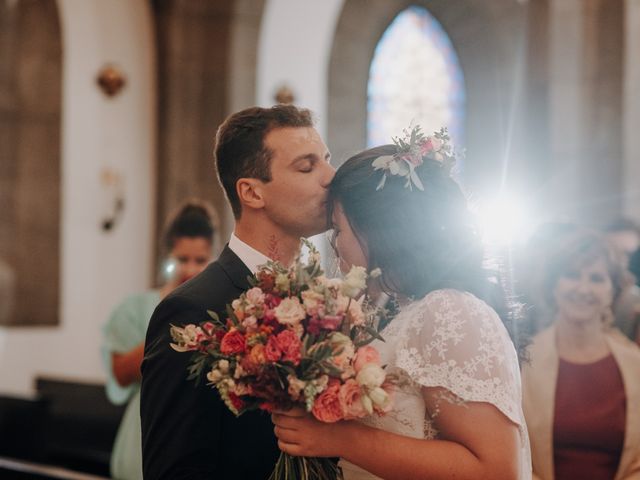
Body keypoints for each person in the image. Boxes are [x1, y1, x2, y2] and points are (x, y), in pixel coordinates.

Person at [272, 130, 531, 479]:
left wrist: (341, 439)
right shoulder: (400, 310)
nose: (336, 246)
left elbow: (496, 469)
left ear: (379, 229)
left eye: (339, 229)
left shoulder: (448, 310)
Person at [140, 105, 334, 479]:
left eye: (326, 160)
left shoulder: (324, 301)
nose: (330, 177)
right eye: (307, 167)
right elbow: (175, 470)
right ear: (252, 192)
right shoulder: (192, 310)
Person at [102, 199, 217, 480]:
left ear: (212, 258)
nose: (190, 270)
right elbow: (120, 374)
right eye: (182, 259)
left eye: (200, 261)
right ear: (168, 258)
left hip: (202, 428)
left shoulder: (220, 309)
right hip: (147, 425)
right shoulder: (136, 308)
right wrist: (172, 317)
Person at [521, 229, 640, 480]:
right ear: (553, 284)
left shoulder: (635, 364)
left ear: (613, 290)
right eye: (572, 275)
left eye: (597, 278)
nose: (583, 288)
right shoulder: (524, 360)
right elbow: (516, 453)